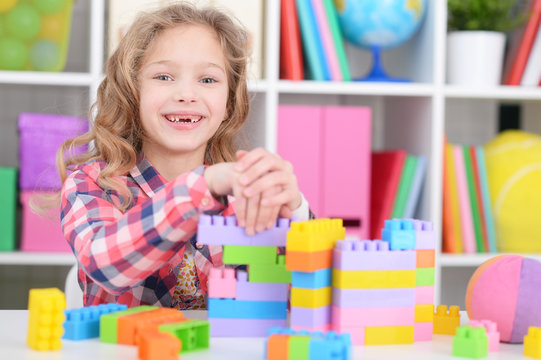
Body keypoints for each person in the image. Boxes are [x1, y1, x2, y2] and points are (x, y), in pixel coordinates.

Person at [58, 2, 310, 310]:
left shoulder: (245, 198)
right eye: (164, 77)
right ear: (132, 91)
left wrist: (296, 213)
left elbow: (300, 302)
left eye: (207, 80)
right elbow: (105, 266)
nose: (186, 94)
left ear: (228, 103)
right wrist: (203, 186)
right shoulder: (93, 184)